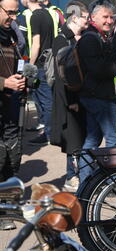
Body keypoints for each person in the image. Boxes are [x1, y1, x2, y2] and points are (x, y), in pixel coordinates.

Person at [77, 0, 116, 184]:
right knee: (113, 140)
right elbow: (98, 69)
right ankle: (115, 182)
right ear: (93, 17)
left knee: (92, 141)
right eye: (105, 17)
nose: (109, 21)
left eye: (112, 17)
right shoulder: (90, 38)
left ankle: (86, 182)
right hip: (100, 98)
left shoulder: (97, 36)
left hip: (95, 96)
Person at [49, 1, 89, 193]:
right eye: (85, 18)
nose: (87, 21)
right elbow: (64, 75)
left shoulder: (75, 37)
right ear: (74, 18)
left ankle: (77, 174)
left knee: (78, 139)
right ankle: (71, 176)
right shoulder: (63, 39)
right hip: (68, 99)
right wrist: (72, 101)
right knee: (73, 140)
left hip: (75, 97)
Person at [0, 0, 26, 230]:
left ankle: (7, 207)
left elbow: (17, 63)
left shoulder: (10, 34)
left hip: (11, 104)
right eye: (10, 13)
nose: (14, 17)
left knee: (11, 154)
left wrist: (23, 78)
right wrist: (3, 82)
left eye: (16, 13)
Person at [20, 0, 58, 145]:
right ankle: (47, 130)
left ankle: (48, 134)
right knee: (42, 98)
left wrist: (30, 65)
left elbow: (36, 44)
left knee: (45, 100)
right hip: (47, 62)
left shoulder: (35, 16)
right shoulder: (48, 13)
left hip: (40, 64)